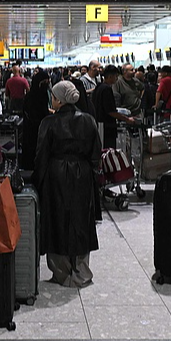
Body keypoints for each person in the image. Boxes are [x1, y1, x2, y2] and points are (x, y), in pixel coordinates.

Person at [34, 81, 101, 288]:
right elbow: (96, 152)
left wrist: (38, 181)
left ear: (58, 99)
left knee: (56, 221)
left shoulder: (48, 122)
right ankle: (81, 272)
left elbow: (41, 155)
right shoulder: (88, 120)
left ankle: (62, 273)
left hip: (56, 175)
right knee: (81, 221)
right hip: (82, 174)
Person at [92, 65, 135, 149]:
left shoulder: (99, 87)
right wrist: (127, 119)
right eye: (116, 76)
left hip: (99, 125)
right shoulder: (107, 89)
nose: (116, 78)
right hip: (107, 128)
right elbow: (111, 111)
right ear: (110, 76)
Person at [21, 71, 52, 171]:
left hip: (36, 132)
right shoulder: (31, 97)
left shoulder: (40, 95)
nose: (47, 84)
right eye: (45, 82)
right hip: (33, 132)